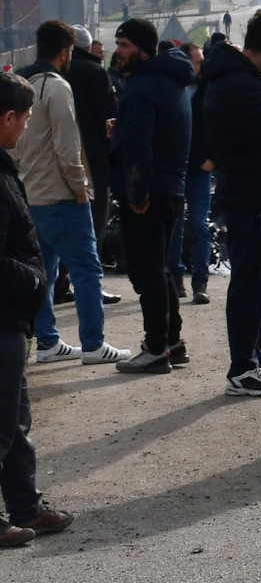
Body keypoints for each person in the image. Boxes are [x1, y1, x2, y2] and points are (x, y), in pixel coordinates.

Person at [13, 20, 131, 366]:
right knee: (87, 271)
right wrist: (81, 189)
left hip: (30, 194)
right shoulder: (57, 86)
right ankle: (94, 344)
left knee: (45, 273)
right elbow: (68, 146)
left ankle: (48, 341)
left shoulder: (22, 84)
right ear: (66, 51)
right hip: (63, 196)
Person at [0, 70, 75, 549]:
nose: (26, 128)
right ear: (7, 118)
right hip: (3, 316)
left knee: (15, 420)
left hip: (12, 319)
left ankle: (26, 506)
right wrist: (31, 281)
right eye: (25, 119)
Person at [203, 9, 261, 397]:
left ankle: (253, 357)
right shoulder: (241, 83)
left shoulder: (238, 78)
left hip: (251, 190)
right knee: (248, 284)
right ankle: (242, 368)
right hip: (247, 194)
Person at [109, 19, 195, 374]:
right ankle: (172, 342)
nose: (118, 52)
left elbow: (141, 146)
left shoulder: (143, 87)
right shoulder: (169, 81)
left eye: (125, 45)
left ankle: (156, 347)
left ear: (144, 50)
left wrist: (136, 193)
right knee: (159, 269)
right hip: (171, 188)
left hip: (149, 192)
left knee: (146, 273)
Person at [64, 25, 117, 249]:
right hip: (94, 159)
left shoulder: (55, 72)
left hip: (59, 158)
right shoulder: (95, 73)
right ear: (87, 48)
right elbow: (111, 114)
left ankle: (62, 279)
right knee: (94, 220)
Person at [168, 42, 213, 305]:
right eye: (195, 62)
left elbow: (219, 123)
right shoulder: (172, 90)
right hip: (175, 168)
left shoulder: (208, 89)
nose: (199, 67)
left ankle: (201, 282)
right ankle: (175, 278)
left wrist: (213, 159)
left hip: (200, 168)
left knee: (198, 224)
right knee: (173, 226)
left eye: (201, 61)